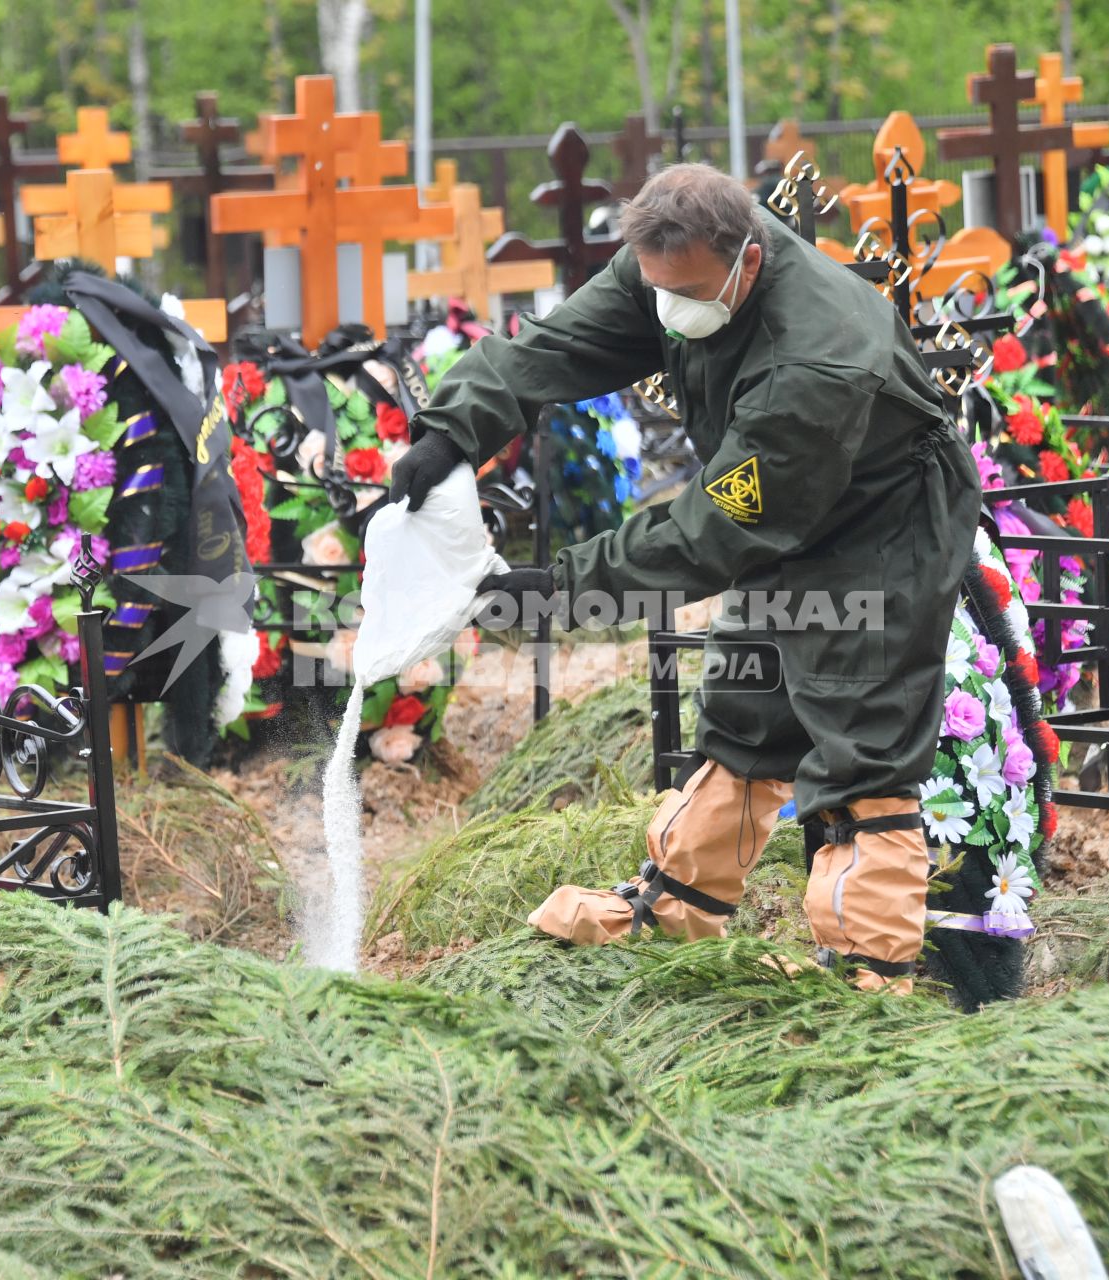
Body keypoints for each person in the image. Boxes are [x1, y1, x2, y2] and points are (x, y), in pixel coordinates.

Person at [390, 163, 980, 993]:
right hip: (779, 494)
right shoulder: (671, 263)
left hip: (879, 525)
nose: (671, 307)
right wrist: (451, 432)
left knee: (860, 740)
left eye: (689, 290)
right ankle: (676, 906)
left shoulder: (815, 359)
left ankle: (870, 969)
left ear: (747, 258)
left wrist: (560, 588)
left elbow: (711, 530)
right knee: (744, 708)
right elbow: (554, 349)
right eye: (657, 286)